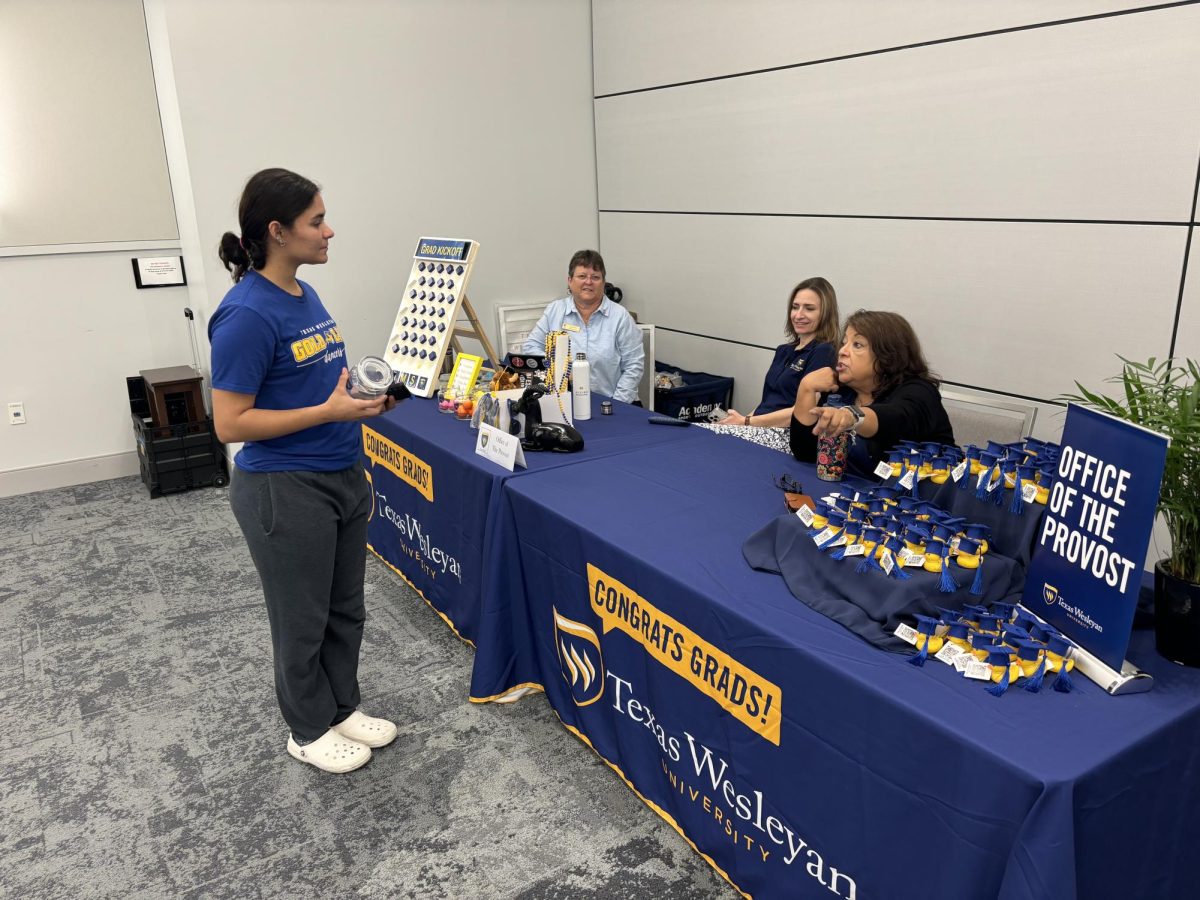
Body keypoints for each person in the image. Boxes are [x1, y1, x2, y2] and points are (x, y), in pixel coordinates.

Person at [209, 168, 397, 774]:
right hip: (283, 487)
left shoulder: (303, 294)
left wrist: (363, 401)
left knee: (346, 608)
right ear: (277, 231)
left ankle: (341, 706)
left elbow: (315, 383)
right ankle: (306, 727)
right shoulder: (244, 314)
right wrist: (329, 410)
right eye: (316, 221)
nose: (329, 230)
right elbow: (230, 423)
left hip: (339, 469)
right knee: (301, 616)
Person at [790, 309, 955, 476]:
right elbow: (806, 453)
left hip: (920, 497)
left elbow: (896, 417)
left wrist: (852, 416)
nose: (842, 351)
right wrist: (806, 388)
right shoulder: (843, 390)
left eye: (857, 345)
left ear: (887, 355)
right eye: (844, 342)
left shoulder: (919, 392)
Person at [522, 249, 644, 403]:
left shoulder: (620, 317)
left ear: (603, 282)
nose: (588, 282)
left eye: (595, 277)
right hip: (562, 401)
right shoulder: (555, 310)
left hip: (610, 401)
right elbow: (531, 347)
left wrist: (616, 404)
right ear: (570, 280)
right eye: (582, 276)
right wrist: (557, 368)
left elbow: (634, 366)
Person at [719, 277, 840, 427]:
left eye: (809, 309)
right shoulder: (784, 350)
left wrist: (746, 422)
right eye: (795, 307)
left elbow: (806, 412)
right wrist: (739, 422)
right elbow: (768, 402)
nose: (798, 315)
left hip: (785, 435)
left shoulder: (824, 351)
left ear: (826, 314)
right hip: (757, 427)